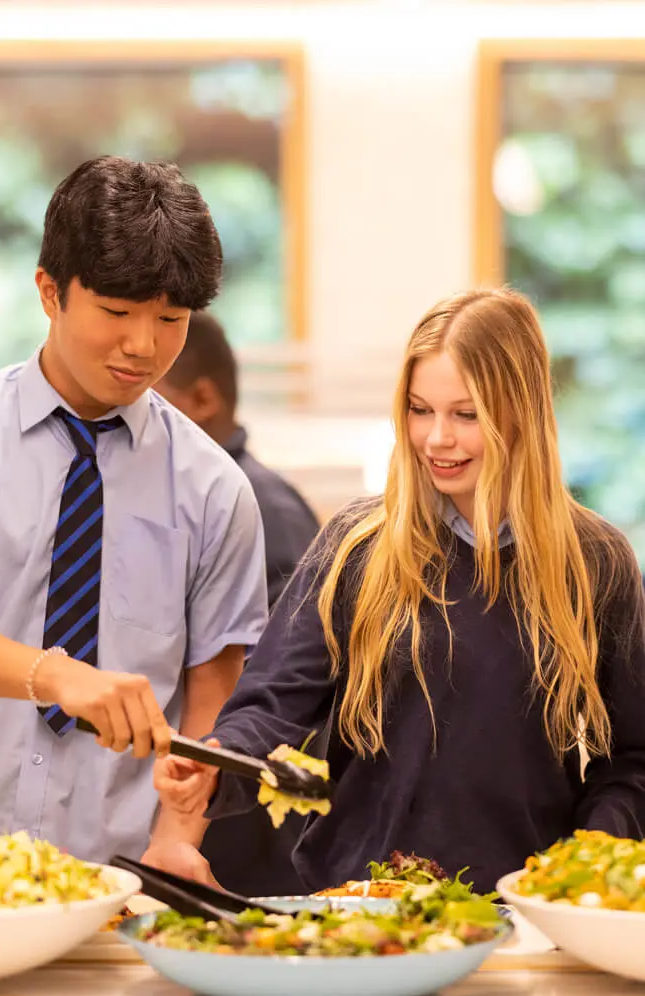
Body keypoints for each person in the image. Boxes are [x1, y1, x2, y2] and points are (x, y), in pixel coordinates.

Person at [149, 287, 645, 895]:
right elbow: (271, 704)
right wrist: (215, 763)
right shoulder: (357, 546)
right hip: (356, 902)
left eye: (466, 414)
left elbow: (632, 761)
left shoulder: (597, 564)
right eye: (419, 409)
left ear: (523, 412)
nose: (436, 438)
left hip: (524, 913)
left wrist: (590, 858)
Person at [0, 156, 267, 871]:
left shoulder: (214, 489)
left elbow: (214, 689)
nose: (143, 346)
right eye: (116, 312)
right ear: (50, 293)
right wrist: (56, 675)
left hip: (116, 882)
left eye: (170, 318)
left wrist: (175, 843)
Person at [155, 310, 320, 895]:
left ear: (202, 397)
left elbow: (277, 693)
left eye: (151, 399)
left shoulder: (260, 507)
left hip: (239, 832)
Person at [155, 311, 320, 610]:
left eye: (148, 401)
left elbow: (291, 649)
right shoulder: (165, 493)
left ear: (203, 399)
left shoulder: (268, 510)